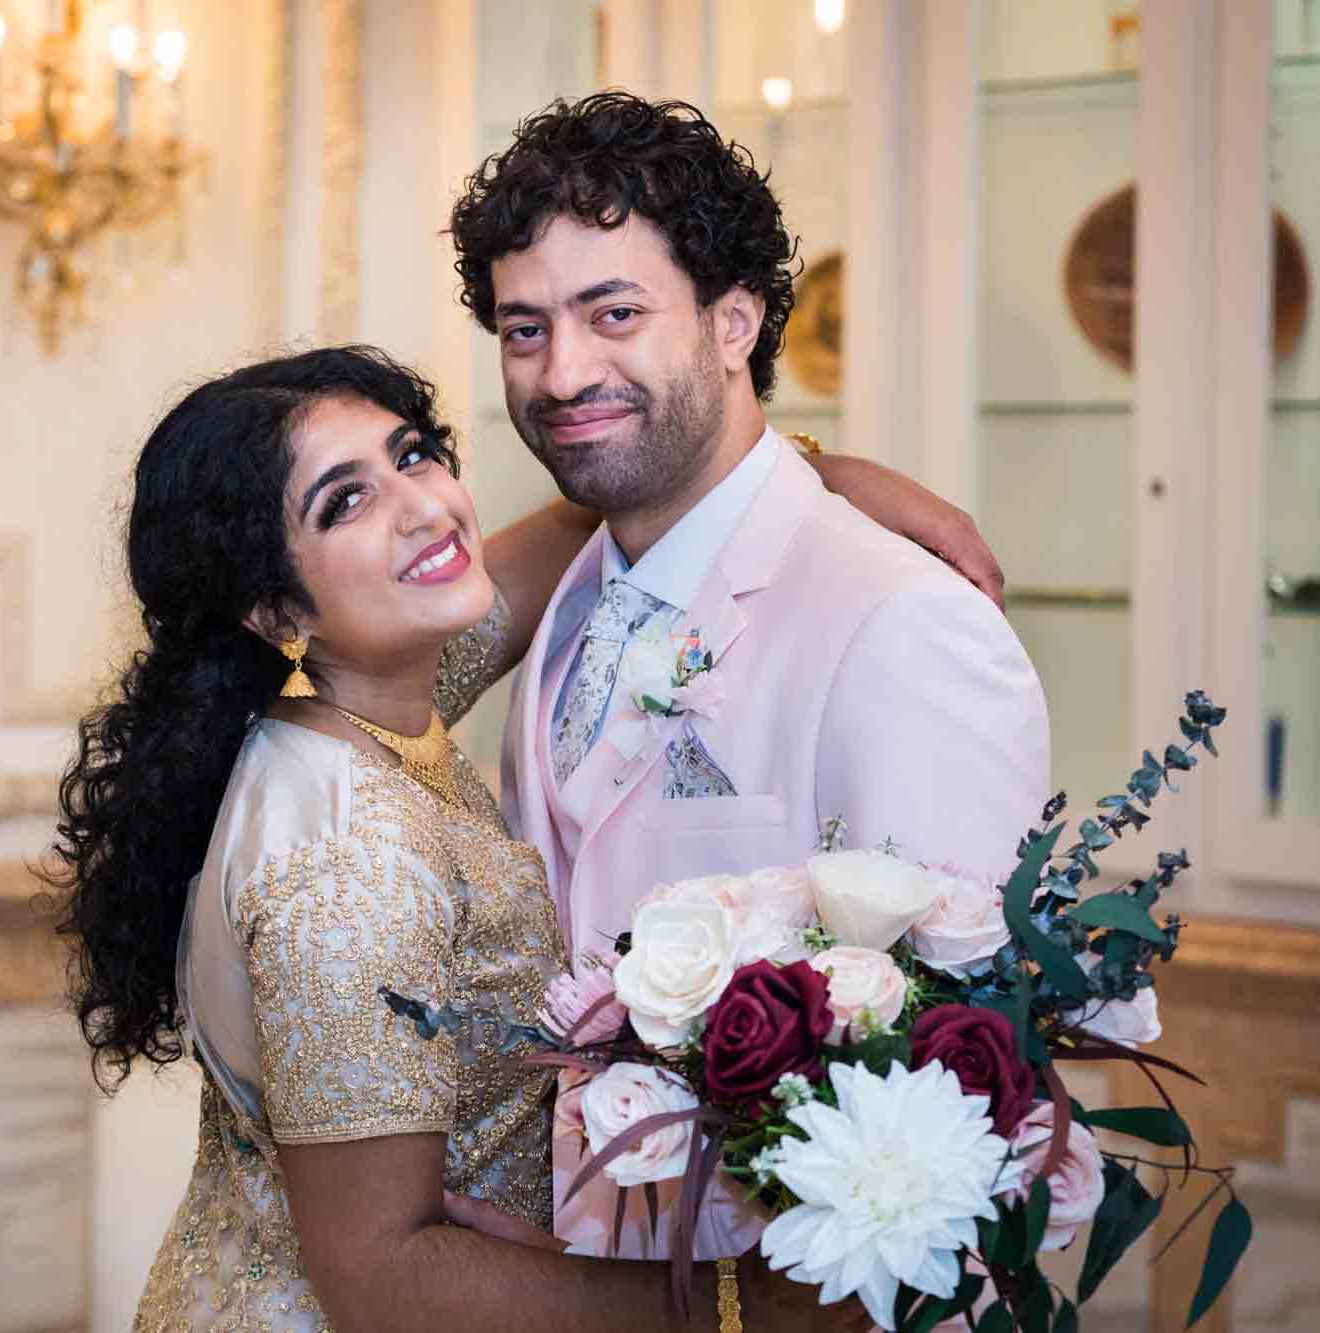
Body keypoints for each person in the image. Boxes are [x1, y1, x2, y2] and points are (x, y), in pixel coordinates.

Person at [55, 346, 959, 1331]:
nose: (422, 509)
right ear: (274, 607)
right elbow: (381, 1278)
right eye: (342, 504)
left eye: (411, 455)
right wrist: (738, 1305)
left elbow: (592, 507)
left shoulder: (366, 705)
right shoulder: (354, 856)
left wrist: (811, 480)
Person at [443, 93, 1052, 1258]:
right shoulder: (555, 601)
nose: (563, 372)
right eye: (524, 331)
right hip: (563, 1271)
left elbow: (970, 1122)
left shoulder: (903, 624)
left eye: (611, 312)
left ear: (735, 322)